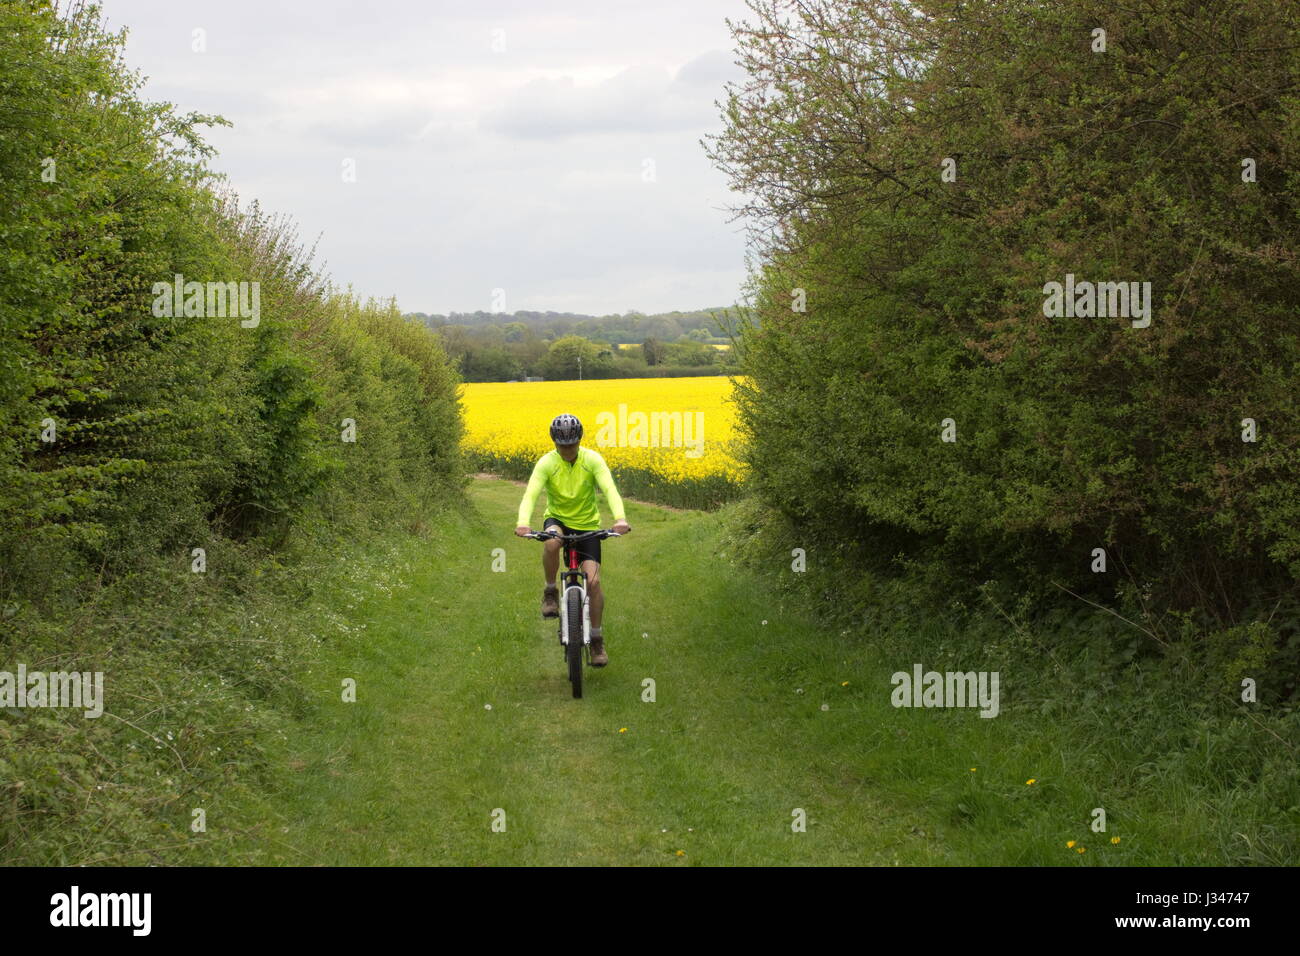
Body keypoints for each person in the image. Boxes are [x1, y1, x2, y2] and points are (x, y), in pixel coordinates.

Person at [515, 413, 631, 666]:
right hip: (557, 519)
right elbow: (531, 493)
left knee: (594, 583)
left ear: (579, 441)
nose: (567, 450)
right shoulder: (547, 462)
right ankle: (550, 591)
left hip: (588, 526)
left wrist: (620, 519)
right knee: (551, 542)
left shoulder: (592, 460)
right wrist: (523, 523)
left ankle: (597, 639)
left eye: (572, 445)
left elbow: (610, 489)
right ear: (555, 443)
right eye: (562, 446)